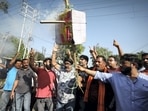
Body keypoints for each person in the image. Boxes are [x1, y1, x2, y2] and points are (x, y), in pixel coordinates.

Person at [76, 53, 148, 111]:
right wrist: (84, 70)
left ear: (133, 65)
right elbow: (99, 74)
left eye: (123, 63)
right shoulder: (115, 77)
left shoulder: (146, 80)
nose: (120, 65)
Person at [52, 44, 77, 111]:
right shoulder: (62, 69)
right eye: (65, 63)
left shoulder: (75, 71)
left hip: (70, 100)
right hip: (60, 99)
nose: (66, 65)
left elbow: (73, 60)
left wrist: (70, 54)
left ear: (72, 65)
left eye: (68, 64)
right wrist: (54, 51)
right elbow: (54, 63)